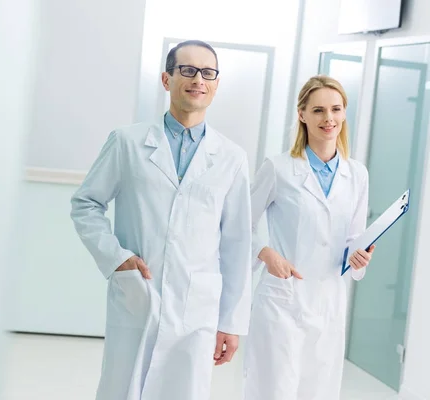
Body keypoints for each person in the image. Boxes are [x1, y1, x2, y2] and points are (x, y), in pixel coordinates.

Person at [70, 40, 252, 400]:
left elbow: (237, 243)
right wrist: (116, 257)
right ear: (166, 79)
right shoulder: (127, 142)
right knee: (123, 389)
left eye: (208, 73)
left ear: (215, 86)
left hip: (197, 305)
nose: (198, 79)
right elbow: (86, 204)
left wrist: (230, 323)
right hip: (139, 294)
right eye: (187, 70)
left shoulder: (232, 157)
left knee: (185, 392)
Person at [243, 75, 375, 400]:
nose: (328, 119)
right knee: (274, 391)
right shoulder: (278, 168)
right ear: (302, 114)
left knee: (320, 391)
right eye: (318, 110)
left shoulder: (357, 174)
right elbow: (237, 225)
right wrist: (264, 252)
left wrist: (360, 257)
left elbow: (355, 238)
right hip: (282, 302)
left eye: (336, 109)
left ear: (344, 114)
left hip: (329, 300)